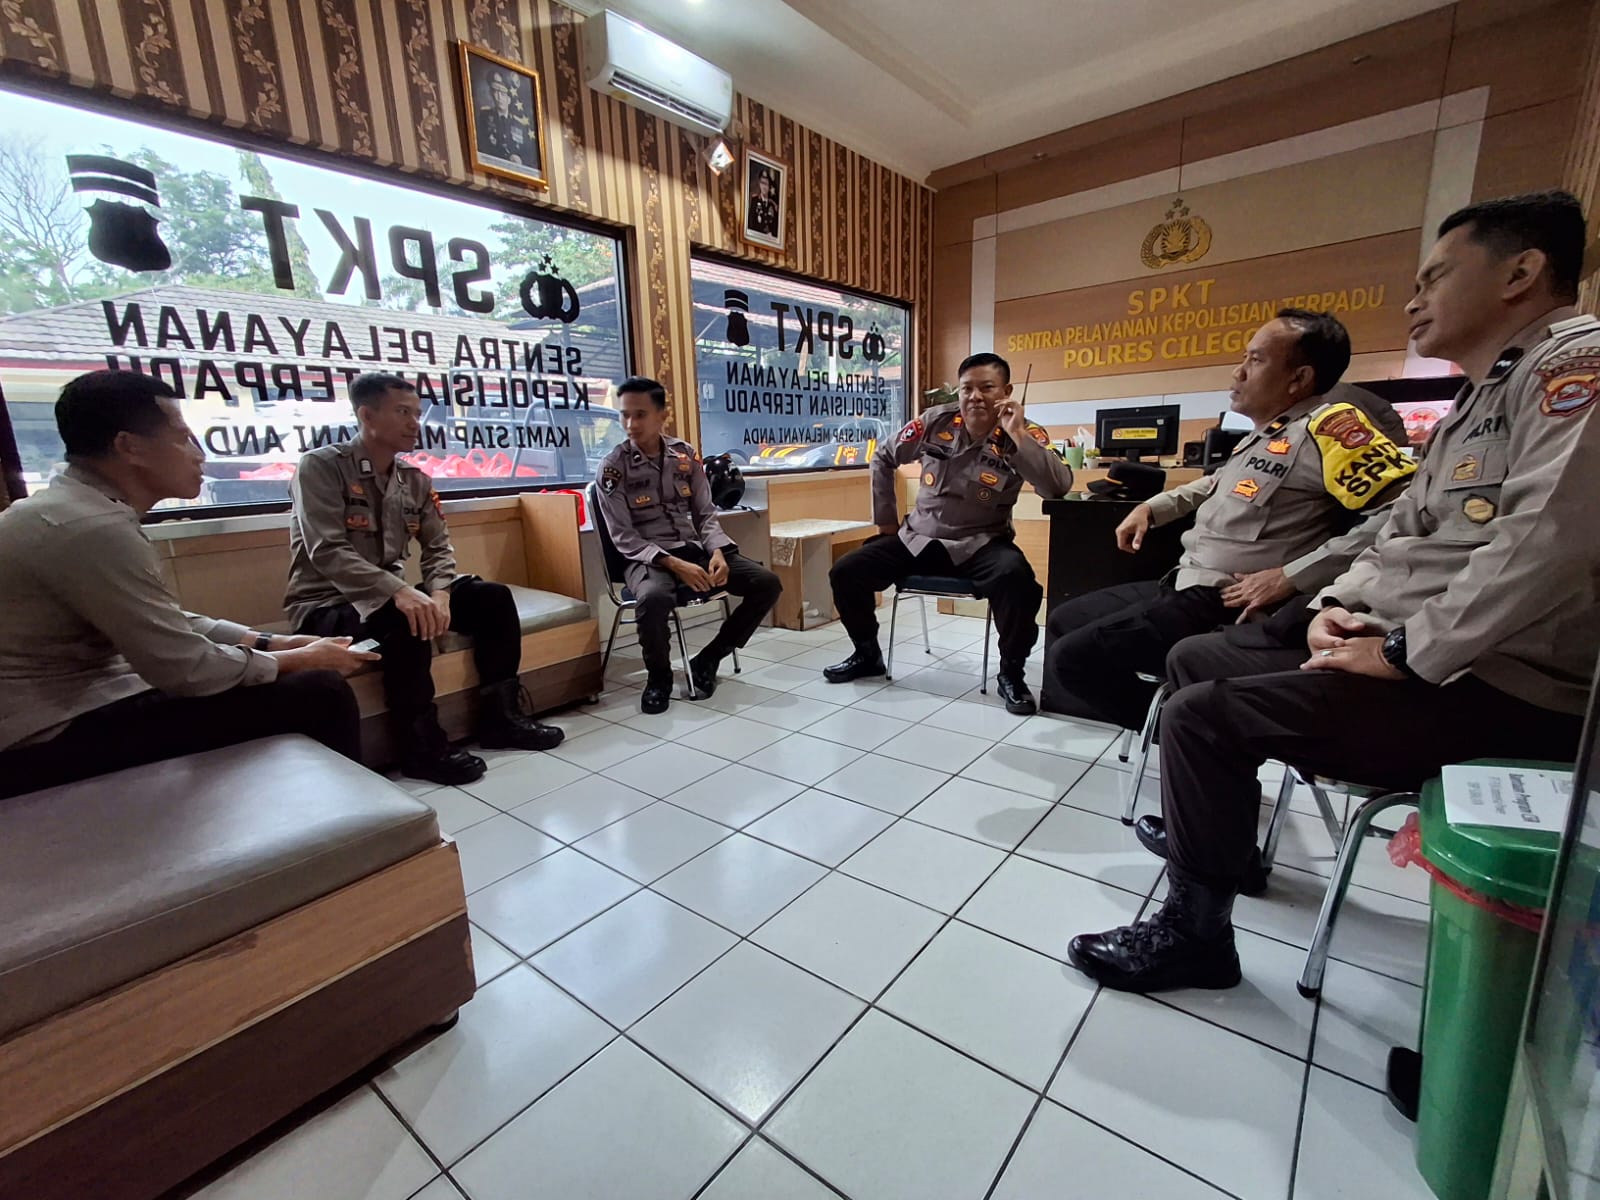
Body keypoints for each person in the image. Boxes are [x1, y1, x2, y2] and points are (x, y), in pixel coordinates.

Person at [1068, 190, 1600, 994]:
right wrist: (1334, 607)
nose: (1414, 300)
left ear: (1520, 272)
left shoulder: (1564, 372)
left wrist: (1375, 633)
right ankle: (1223, 844)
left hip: (1486, 674)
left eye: (1435, 277)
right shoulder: (1476, 397)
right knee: (1183, 661)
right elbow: (1398, 536)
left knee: (1189, 706)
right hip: (1380, 629)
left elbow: (1543, 544)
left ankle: (1195, 931)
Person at [0, 370, 374, 799]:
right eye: (183, 438)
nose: (199, 454)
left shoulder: (75, 509)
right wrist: (300, 660)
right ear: (129, 446)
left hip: (80, 704)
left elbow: (162, 620)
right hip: (42, 737)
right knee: (317, 691)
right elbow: (187, 669)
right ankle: (356, 823)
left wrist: (270, 642)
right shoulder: (90, 528)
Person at [1042, 311, 1414, 731]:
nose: (1238, 372)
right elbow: (1213, 484)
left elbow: (1398, 514)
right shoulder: (1266, 432)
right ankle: (1186, 722)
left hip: (1226, 600)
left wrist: (1293, 575)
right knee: (1063, 620)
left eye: (1256, 360)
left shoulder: (1331, 429)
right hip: (1184, 581)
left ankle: (1194, 729)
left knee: (1073, 659)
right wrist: (1152, 507)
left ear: (1299, 378)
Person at [286, 372, 563, 786]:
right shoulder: (322, 467)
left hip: (391, 596)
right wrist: (400, 591)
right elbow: (327, 551)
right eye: (402, 412)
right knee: (407, 619)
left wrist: (440, 593)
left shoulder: (413, 480)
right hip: (326, 606)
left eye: (416, 413)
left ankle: (501, 720)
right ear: (366, 415)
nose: (414, 423)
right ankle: (421, 749)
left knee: (491, 598)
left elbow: (438, 548)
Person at [824, 352, 1075, 714]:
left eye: (987, 388)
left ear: (1006, 391)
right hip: (919, 538)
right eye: (967, 388)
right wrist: (887, 524)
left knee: (1018, 582)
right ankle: (867, 654)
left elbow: (1057, 487)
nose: (975, 397)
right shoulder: (935, 422)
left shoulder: (1025, 433)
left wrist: (1018, 434)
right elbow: (883, 457)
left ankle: (1011, 674)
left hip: (981, 543)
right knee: (846, 571)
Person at [594, 376, 782, 714]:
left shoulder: (684, 455)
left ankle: (708, 659)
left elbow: (705, 515)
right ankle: (659, 679)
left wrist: (717, 552)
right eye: (624, 415)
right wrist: (675, 564)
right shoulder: (613, 468)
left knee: (766, 583)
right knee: (653, 598)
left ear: (662, 415)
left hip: (693, 548)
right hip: (647, 558)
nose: (630, 424)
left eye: (640, 414)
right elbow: (624, 537)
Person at [748, 169, 780, 237]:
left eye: (766, 184)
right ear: (759, 184)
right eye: (762, 183)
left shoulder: (773, 204)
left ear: (769, 187)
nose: (764, 187)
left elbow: (776, 226)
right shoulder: (755, 200)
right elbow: (751, 223)